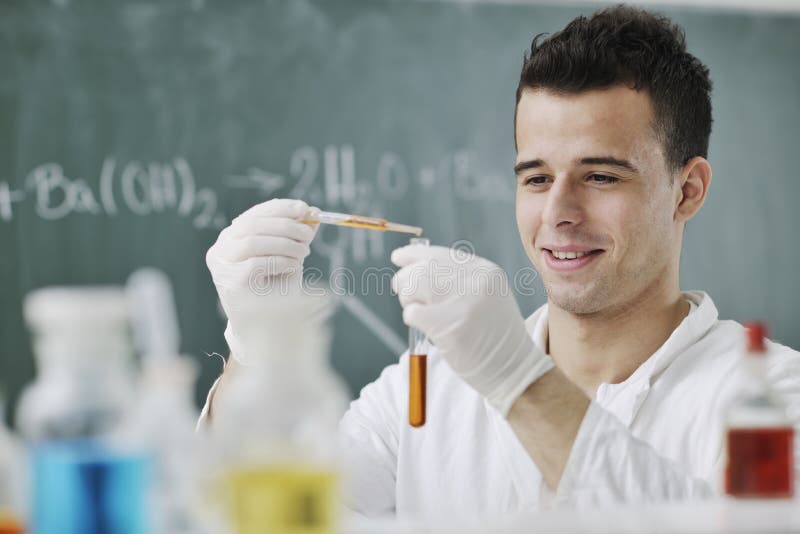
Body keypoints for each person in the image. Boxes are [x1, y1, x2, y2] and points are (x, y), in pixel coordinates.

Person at [202, 4, 800, 521]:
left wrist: (520, 384)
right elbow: (259, 518)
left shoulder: (772, 400)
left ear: (687, 190)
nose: (559, 213)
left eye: (600, 175)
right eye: (536, 178)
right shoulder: (424, 394)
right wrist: (255, 356)